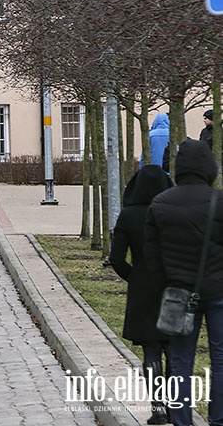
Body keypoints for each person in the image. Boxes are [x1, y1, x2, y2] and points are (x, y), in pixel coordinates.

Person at [145, 139, 223, 426]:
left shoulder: (160, 203)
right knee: (221, 360)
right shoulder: (219, 201)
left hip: (178, 292)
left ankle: (181, 421)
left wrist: (166, 285)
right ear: (209, 168)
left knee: (179, 363)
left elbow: (152, 257)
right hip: (218, 291)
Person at [109, 165, 173, 425]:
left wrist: (133, 276)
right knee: (174, 350)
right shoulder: (170, 213)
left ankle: (157, 407)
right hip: (171, 285)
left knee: (151, 350)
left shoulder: (128, 215)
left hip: (142, 287)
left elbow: (116, 259)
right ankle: (177, 407)